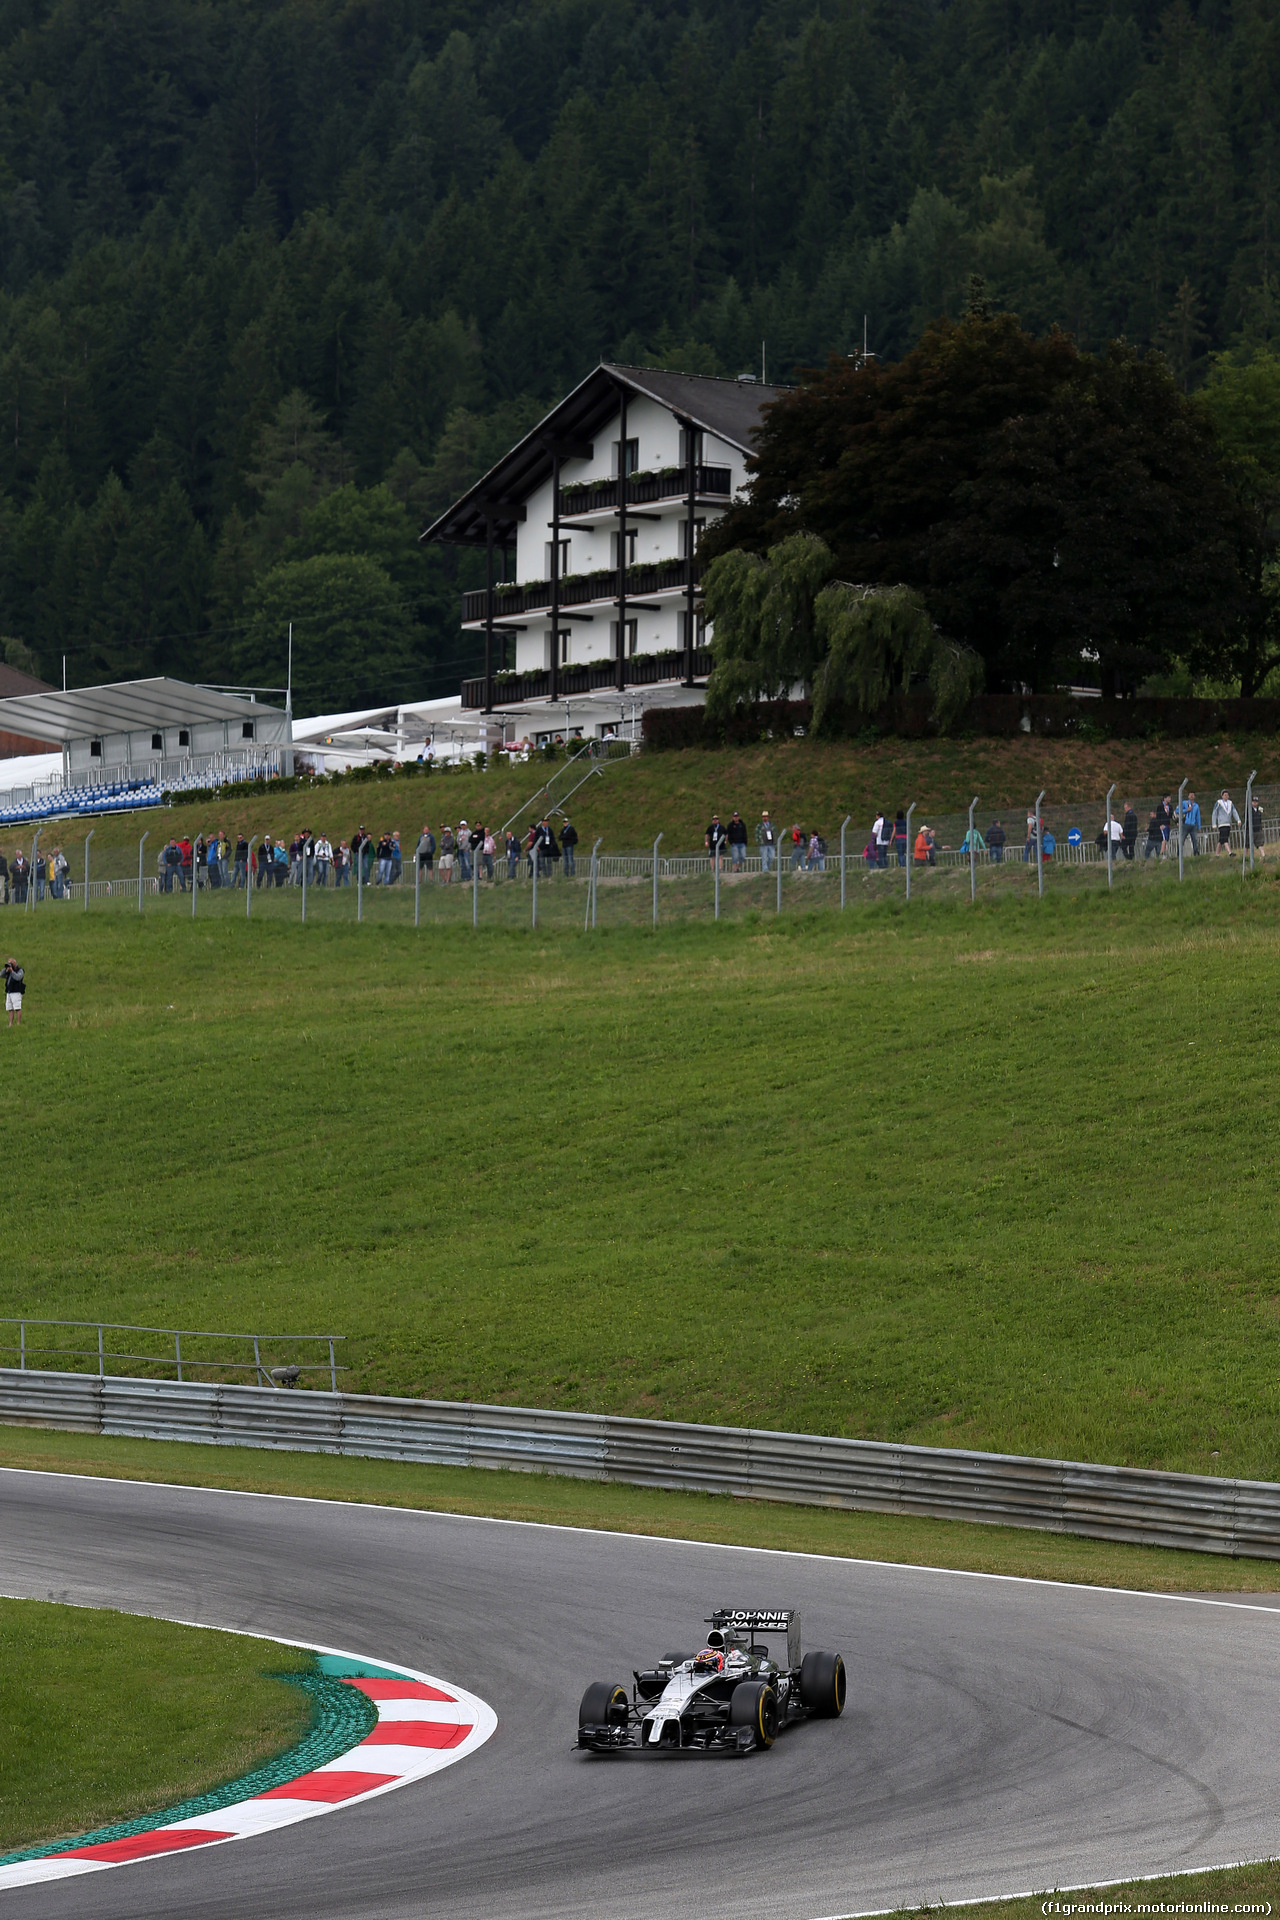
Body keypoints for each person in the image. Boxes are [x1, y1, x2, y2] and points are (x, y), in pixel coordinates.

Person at [1211, 790, 1239, 855]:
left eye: (1227, 795)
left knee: (1221, 840)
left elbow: (1234, 812)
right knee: (1225, 838)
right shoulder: (1219, 803)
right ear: (1222, 796)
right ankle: (1230, 852)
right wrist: (1214, 823)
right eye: (1225, 795)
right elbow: (1214, 813)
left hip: (1228, 823)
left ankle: (1217, 854)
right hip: (1221, 824)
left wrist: (1238, 820)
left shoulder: (1230, 803)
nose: (1226, 796)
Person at [1180, 790, 1201, 856]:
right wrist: (1186, 810)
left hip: (1193, 825)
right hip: (1185, 824)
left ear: (1194, 796)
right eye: (1190, 795)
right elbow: (1178, 810)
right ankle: (1179, 854)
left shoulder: (1196, 806)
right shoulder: (1184, 803)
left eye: (1193, 795)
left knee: (1194, 840)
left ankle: (1196, 853)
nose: (1191, 796)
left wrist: (1199, 827)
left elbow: (1198, 817)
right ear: (1188, 796)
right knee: (1182, 840)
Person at [4, 955, 24, 1026]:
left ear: (14, 963)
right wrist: (6, 969)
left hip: (16, 992)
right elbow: (1, 975)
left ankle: (18, 1023)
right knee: (10, 1008)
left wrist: (12, 971)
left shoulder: (20, 970)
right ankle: (10, 1024)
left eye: (11, 963)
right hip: (9, 992)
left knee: (17, 1008)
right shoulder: (8, 970)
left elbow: (18, 977)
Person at [1251, 795, 1267, 860]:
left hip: (1258, 829)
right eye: (1253, 801)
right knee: (1247, 844)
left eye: (1256, 802)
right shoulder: (1249, 809)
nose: (1255, 803)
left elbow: (1265, 811)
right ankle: (1246, 857)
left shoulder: (1259, 809)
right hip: (1251, 830)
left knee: (1260, 843)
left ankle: (1263, 855)